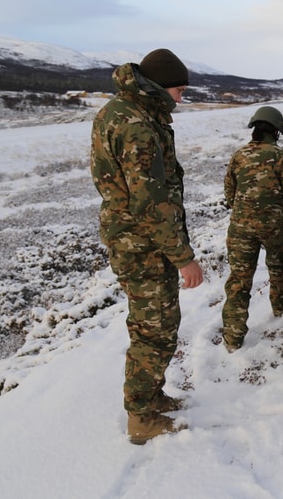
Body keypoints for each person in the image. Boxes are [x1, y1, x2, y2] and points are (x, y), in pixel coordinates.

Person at [90, 48, 204, 445]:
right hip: (143, 245)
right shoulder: (137, 125)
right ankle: (141, 418)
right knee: (154, 331)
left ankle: (151, 397)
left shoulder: (122, 111)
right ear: (159, 86)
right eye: (179, 90)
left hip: (135, 238)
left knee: (155, 325)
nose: (181, 98)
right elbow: (151, 202)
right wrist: (184, 258)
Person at [222, 106, 283, 352]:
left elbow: (229, 191)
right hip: (274, 225)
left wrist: (243, 211)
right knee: (279, 266)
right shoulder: (281, 155)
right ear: (276, 131)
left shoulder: (239, 155)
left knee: (239, 279)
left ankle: (232, 337)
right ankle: (281, 307)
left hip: (241, 227)